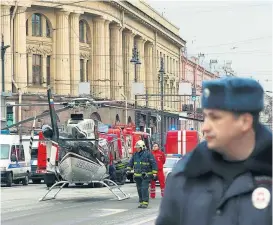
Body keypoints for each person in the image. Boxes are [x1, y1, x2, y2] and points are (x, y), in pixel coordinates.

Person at [156, 77, 272, 225]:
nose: (205, 127)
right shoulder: (184, 175)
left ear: (245, 122)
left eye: (215, 118)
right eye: (205, 117)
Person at [126, 140, 158, 208]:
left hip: (146, 175)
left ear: (142, 147)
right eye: (136, 147)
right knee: (139, 189)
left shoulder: (148, 154)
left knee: (144, 189)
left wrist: (154, 173)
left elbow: (153, 163)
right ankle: (141, 202)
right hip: (137, 176)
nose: (137, 149)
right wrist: (128, 169)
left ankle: (145, 203)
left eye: (138, 147)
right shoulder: (135, 154)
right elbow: (131, 162)